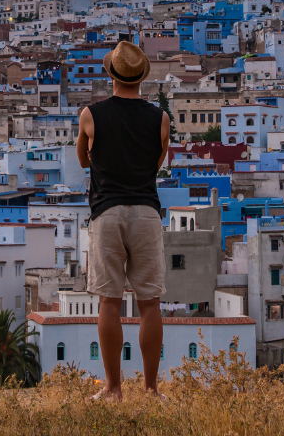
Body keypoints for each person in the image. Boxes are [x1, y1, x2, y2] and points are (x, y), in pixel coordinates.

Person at [76, 41, 170, 401]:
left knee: (109, 302)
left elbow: (84, 160)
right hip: (146, 212)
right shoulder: (159, 118)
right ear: (141, 77)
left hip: (107, 212)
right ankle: (150, 389)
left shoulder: (90, 115)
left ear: (111, 74)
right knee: (150, 303)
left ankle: (113, 388)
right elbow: (156, 163)